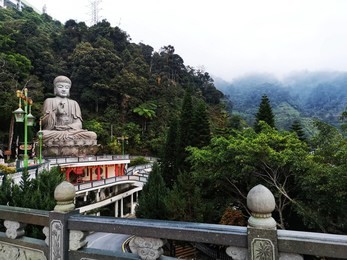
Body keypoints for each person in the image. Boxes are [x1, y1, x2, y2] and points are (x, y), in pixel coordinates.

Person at [41, 76, 97, 146]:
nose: (64, 89)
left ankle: (67, 138)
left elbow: (79, 124)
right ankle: (68, 138)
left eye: (66, 87)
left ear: (69, 89)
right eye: (60, 87)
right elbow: (43, 123)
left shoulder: (74, 103)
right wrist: (56, 113)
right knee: (42, 135)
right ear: (55, 88)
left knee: (92, 135)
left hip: (71, 131)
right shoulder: (49, 101)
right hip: (55, 131)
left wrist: (68, 126)